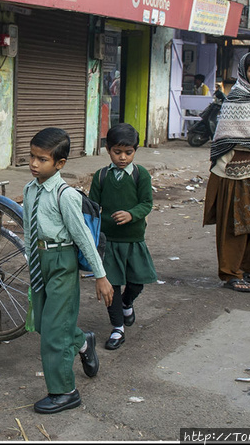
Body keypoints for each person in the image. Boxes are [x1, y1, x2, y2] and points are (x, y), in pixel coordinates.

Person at [24, 127, 113, 414]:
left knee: (53, 333)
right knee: (42, 323)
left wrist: (100, 276)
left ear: (60, 164)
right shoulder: (30, 189)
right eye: (32, 157)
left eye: (42, 159)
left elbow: (84, 239)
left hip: (62, 262)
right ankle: (82, 342)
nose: (34, 164)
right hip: (40, 261)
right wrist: (31, 261)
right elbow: (28, 229)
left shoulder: (65, 196)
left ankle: (65, 391)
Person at [202, 52, 250, 294]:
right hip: (231, 168)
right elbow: (226, 136)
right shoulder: (236, 98)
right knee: (234, 222)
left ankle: (249, 267)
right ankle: (230, 273)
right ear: (244, 72)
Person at [87, 123, 156, 350]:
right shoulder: (101, 176)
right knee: (111, 286)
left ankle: (128, 302)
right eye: (118, 152)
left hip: (133, 240)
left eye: (128, 152)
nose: (123, 157)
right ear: (108, 149)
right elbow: (92, 208)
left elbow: (146, 203)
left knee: (137, 281)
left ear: (136, 151)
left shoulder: (140, 175)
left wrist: (131, 214)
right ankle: (117, 328)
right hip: (109, 242)